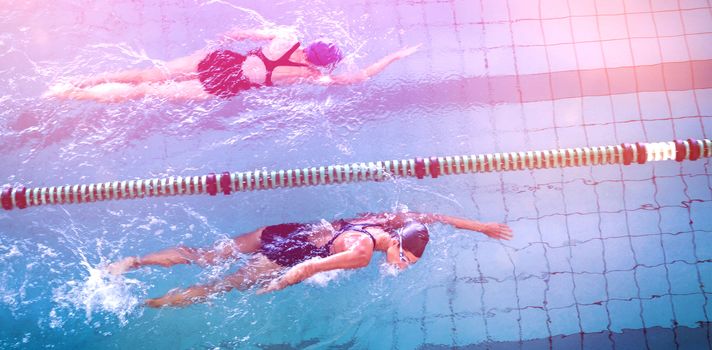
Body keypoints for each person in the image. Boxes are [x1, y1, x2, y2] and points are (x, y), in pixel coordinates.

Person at [107, 210, 513, 308]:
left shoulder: (392, 222)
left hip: (289, 231)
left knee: (207, 255)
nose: (402, 266)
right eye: (404, 259)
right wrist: (275, 284)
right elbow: (310, 267)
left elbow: (436, 217)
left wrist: (483, 228)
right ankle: (155, 304)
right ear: (397, 246)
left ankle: (135, 262)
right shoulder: (361, 255)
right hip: (290, 255)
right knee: (220, 287)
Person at [44, 27, 422, 102]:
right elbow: (355, 79)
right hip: (222, 86)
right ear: (322, 63)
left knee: (146, 75)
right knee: (144, 92)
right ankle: (71, 97)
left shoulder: (286, 36)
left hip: (218, 61)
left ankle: (74, 83)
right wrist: (392, 58)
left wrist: (231, 38)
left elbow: (238, 33)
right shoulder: (308, 75)